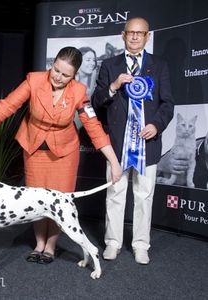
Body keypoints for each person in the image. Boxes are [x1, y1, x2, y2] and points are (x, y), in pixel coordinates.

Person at [0, 46, 122, 264]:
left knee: (59, 202)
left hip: (65, 153)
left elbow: (93, 126)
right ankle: (39, 243)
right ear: (52, 63)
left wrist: (113, 161)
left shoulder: (78, 91)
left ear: (74, 75)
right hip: (34, 148)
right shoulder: (34, 81)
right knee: (35, 199)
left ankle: (50, 246)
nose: (58, 77)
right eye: (56, 70)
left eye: (65, 75)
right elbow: (6, 106)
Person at [91, 17, 174, 264]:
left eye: (141, 33)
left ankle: (140, 245)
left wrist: (156, 125)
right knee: (115, 194)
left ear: (148, 36)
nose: (136, 37)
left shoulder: (159, 66)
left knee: (144, 196)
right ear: (123, 35)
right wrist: (114, 86)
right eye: (131, 32)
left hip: (147, 144)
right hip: (117, 145)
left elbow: (168, 104)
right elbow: (97, 101)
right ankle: (112, 243)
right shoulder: (109, 64)